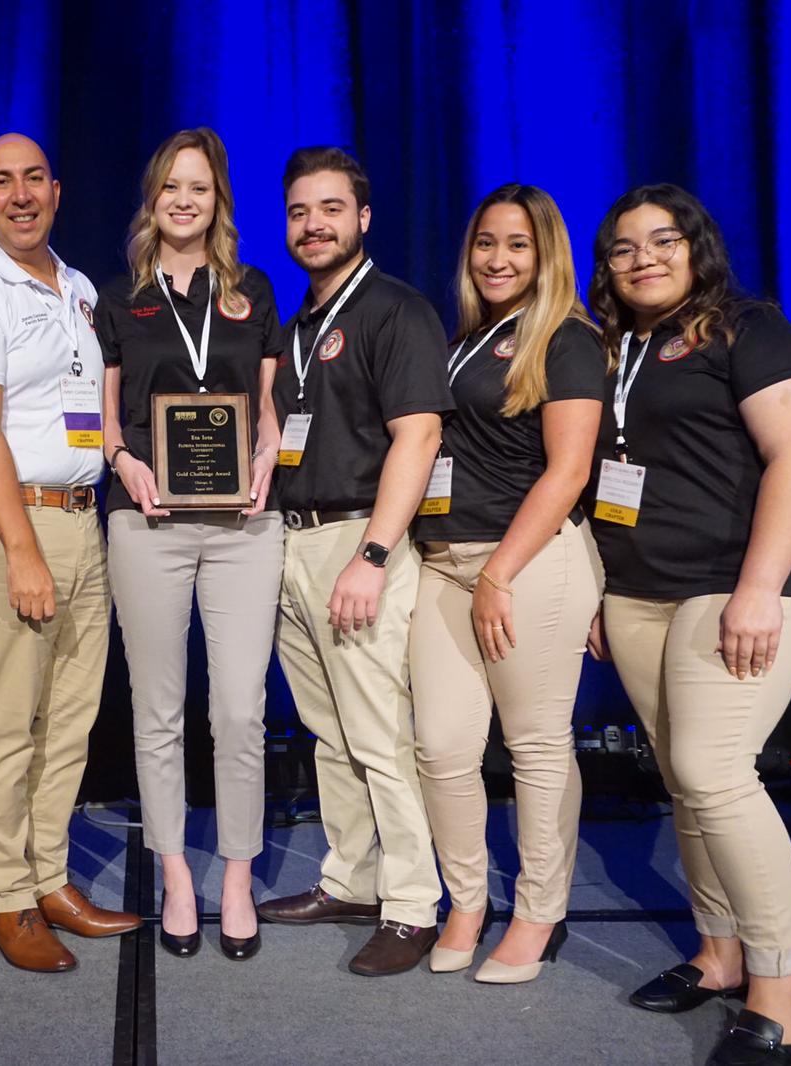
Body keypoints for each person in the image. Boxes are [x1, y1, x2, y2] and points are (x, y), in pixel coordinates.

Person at [586, 184, 791, 1066]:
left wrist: (757, 590)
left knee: (712, 770)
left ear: (697, 248)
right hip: (641, 592)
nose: (644, 257)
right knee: (683, 782)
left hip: (740, 588)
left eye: (663, 240)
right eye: (623, 247)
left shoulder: (750, 329)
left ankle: (783, 984)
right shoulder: (615, 345)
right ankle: (720, 952)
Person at [0, 133, 142, 973]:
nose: (20, 195)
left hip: (81, 520)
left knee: (68, 722)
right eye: (0, 184)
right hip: (7, 524)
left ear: (56, 191)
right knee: (5, 725)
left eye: (33, 180)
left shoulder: (81, 288)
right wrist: (20, 548)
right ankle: (5, 899)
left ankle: (49, 875)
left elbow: (90, 413)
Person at [257, 146, 452, 977]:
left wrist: (373, 553)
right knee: (328, 733)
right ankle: (350, 877)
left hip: (358, 541)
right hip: (291, 540)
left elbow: (420, 435)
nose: (314, 225)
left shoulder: (396, 311)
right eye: (300, 212)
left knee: (379, 734)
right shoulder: (298, 324)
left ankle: (411, 905)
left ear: (363, 218)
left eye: (331, 209)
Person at [95, 128, 285, 961]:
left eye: (200, 188)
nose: (184, 200)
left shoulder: (254, 291)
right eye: (171, 186)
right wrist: (123, 459)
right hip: (148, 523)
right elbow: (105, 414)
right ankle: (175, 871)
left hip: (244, 525)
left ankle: (236, 875)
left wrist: (271, 453)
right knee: (157, 710)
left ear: (219, 201)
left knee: (241, 709)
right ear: (152, 197)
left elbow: (270, 407)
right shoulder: (119, 299)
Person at [408, 184, 605, 983]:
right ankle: (466, 901)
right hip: (444, 562)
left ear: (545, 252)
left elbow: (569, 472)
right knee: (443, 747)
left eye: (517, 245)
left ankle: (537, 913)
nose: (497, 259)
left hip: (526, 564)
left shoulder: (566, 339)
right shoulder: (467, 339)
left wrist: (498, 573)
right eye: (486, 243)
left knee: (535, 747)